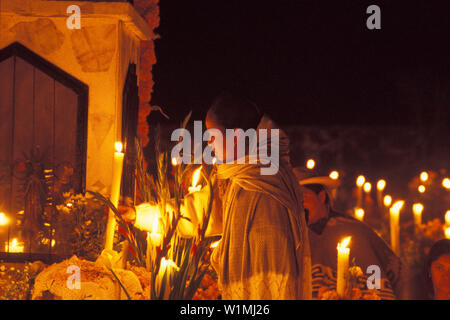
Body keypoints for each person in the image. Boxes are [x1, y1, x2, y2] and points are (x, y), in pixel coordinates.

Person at [120, 92, 312, 300]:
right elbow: (198, 211)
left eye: (213, 136)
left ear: (236, 136)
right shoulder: (236, 175)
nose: (209, 144)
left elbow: (271, 266)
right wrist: (137, 215)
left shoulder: (265, 183)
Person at [293, 167, 404, 299]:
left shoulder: (355, 231)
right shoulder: (290, 236)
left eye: (302, 197)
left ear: (321, 197)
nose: (297, 206)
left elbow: (388, 283)